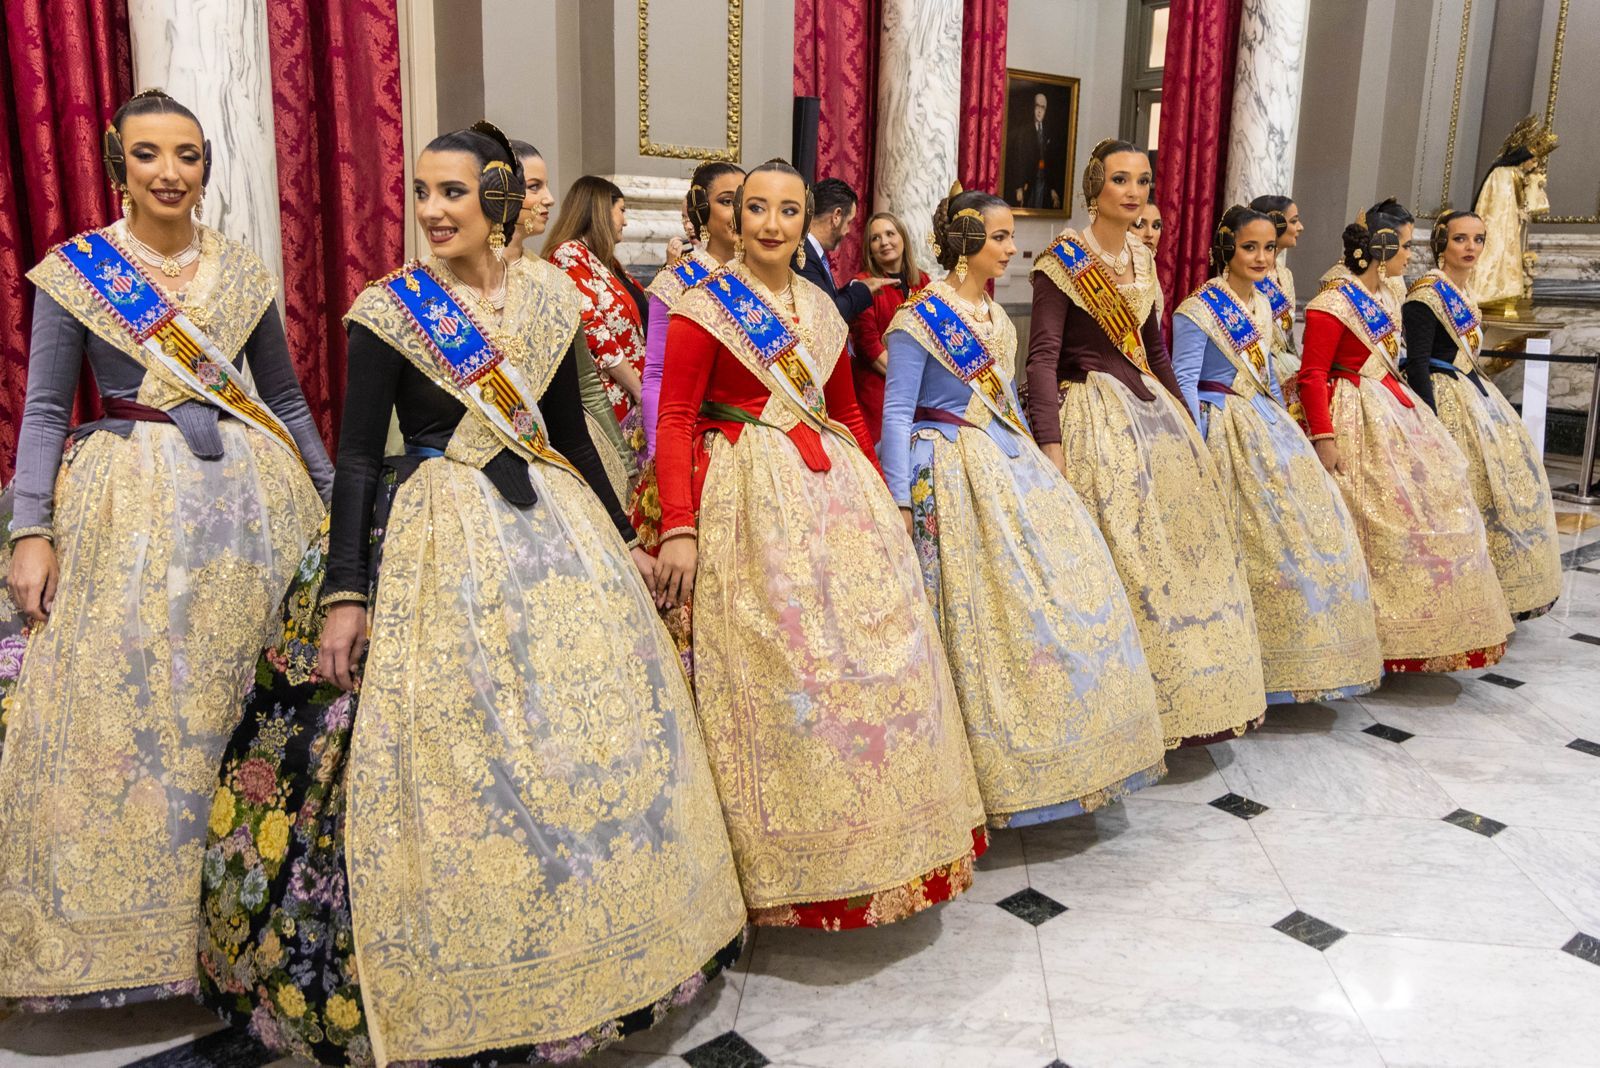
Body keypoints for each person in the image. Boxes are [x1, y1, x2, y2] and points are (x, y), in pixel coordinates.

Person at [197, 124, 746, 1066]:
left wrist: (625, 538)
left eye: (452, 192)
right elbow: (358, 458)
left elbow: (568, 432)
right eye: (422, 192)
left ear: (496, 200)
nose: (431, 211)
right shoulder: (391, 309)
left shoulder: (548, 297)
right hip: (434, 532)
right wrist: (345, 592)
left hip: (556, 532)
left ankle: (605, 941)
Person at [0, 89, 330, 1007]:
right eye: (148, 154)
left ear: (206, 167)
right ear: (120, 163)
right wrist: (31, 531)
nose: (169, 172)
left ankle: (251, 920)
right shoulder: (81, 272)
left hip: (254, 515)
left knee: (246, 708)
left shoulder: (241, 271)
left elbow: (286, 401)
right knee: (143, 716)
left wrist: (334, 509)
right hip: (131, 512)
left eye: (186, 154)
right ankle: (146, 938)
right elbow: (44, 410)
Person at [653, 159, 985, 929]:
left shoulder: (822, 309)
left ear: (808, 222)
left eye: (787, 210)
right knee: (788, 666)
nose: (770, 224)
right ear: (734, 216)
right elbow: (674, 419)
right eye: (756, 208)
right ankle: (793, 867)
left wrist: (884, 500)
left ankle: (888, 838)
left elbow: (848, 412)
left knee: (868, 661)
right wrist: (678, 525)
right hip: (749, 493)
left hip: (839, 495)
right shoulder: (706, 306)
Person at [879, 189, 1165, 826]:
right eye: (1001, 237)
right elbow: (896, 413)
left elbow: (1005, 399)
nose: (1013, 248)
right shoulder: (918, 317)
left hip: (1003, 458)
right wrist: (898, 500)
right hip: (944, 466)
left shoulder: (995, 316)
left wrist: (1036, 455)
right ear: (965, 241)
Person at [1025, 138, 1265, 748]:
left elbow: (1155, 352)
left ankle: (1187, 695)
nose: (1134, 192)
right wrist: (1050, 443)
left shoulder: (1141, 255)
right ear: (1094, 187)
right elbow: (1042, 358)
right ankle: (1120, 706)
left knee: (1176, 553)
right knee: (1122, 557)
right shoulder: (1061, 261)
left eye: (1142, 181)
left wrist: (1186, 421)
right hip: (1092, 416)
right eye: (1120, 180)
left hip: (1151, 415)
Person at [1172, 206, 1382, 704]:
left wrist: (1287, 425)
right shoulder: (1196, 309)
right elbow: (1183, 380)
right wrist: (1194, 446)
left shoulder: (1263, 305)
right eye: (1250, 247)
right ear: (1228, 247)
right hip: (1220, 423)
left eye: (1268, 248)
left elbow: (1266, 374)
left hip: (1265, 422)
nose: (1262, 257)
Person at [1300, 200, 1513, 673]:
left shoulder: (1384, 295)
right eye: (1404, 247)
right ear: (1381, 249)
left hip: (1390, 406)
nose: (1410, 256)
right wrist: (1324, 436)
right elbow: (1312, 374)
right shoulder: (1333, 302)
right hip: (1352, 414)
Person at [1402, 210, 1562, 619]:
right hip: (1443, 396)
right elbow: (1417, 363)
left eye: (1478, 239)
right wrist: (1429, 421)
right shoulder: (1425, 295)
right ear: (1442, 243)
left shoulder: (1464, 291)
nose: (1470, 247)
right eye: (1461, 239)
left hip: (1473, 395)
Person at [506, 139, 634, 502]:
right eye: (535, 187)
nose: (549, 199)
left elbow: (585, 381)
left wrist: (623, 458)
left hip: (554, 448)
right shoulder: (567, 258)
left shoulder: (551, 281)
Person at [546, 175, 647, 487]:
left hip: (631, 394)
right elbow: (595, 333)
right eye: (622, 210)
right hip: (610, 398)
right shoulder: (569, 254)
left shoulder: (605, 262)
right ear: (600, 210)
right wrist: (639, 390)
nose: (625, 221)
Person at [851, 210, 929, 445]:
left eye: (890, 234)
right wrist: (910, 379)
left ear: (902, 238)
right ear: (870, 249)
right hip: (880, 395)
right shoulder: (863, 284)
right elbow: (869, 347)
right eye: (875, 238)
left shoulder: (923, 281)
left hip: (920, 393)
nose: (884, 242)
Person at [794, 176, 894, 325]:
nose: (847, 231)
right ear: (836, 216)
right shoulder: (802, 255)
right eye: (849, 222)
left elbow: (828, 298)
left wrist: (856, 285)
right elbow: (828, 315)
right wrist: (863, 290)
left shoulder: (811, 250)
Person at [1250, 193, 1304, 408]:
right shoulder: (1250, 273)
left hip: (1285, 361)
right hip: (1260, 364)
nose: (1300, 227)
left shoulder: (1285, 274)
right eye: (1294, 221)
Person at [1006, 92, 1064, 210]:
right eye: (1037, 106)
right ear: (1033, 107)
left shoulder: (1048, 132)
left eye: (1043, 108)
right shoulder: (1024, 132)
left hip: (1044, 182)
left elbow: (1052, 162)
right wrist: (1019, 187)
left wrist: (1053, 189)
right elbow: (1019, 160)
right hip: (1029, 181)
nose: (1039, 111)